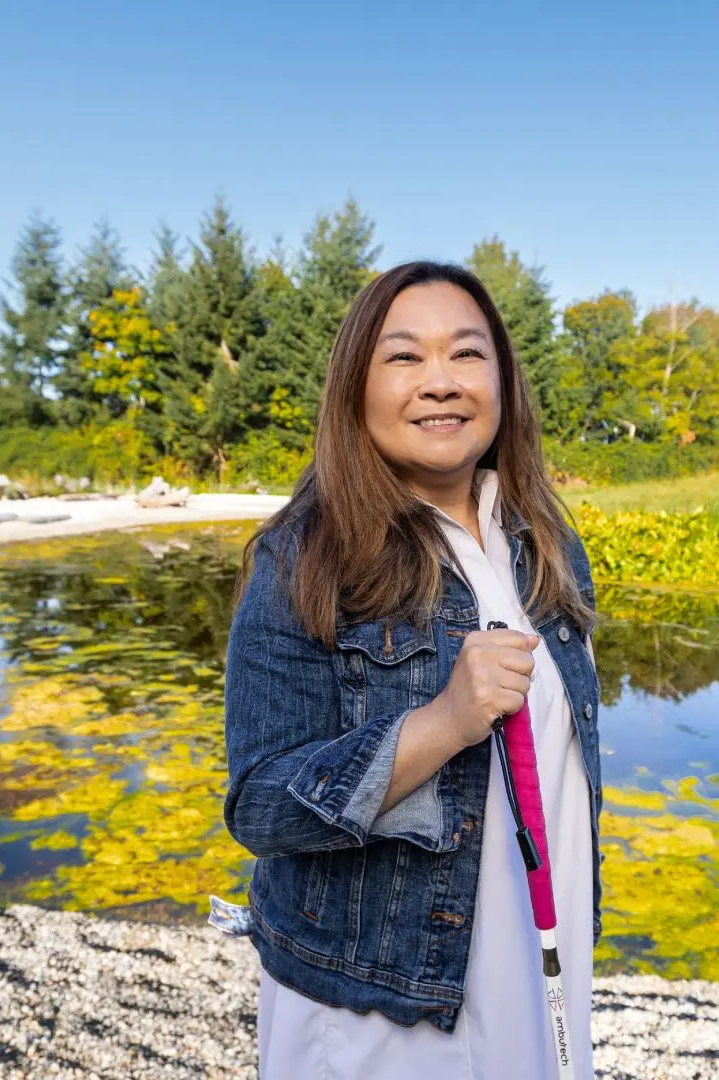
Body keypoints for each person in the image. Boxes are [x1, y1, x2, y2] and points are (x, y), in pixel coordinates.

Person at [222, 261, 604, 1078]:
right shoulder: (302, 557)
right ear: (356, 386)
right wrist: (441, 726)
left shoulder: (546, 546)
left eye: (467, 355)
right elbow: (258, 807)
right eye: (404, 358)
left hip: (543, 972)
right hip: (379, 1005)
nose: (440, 383)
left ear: (502, 381)